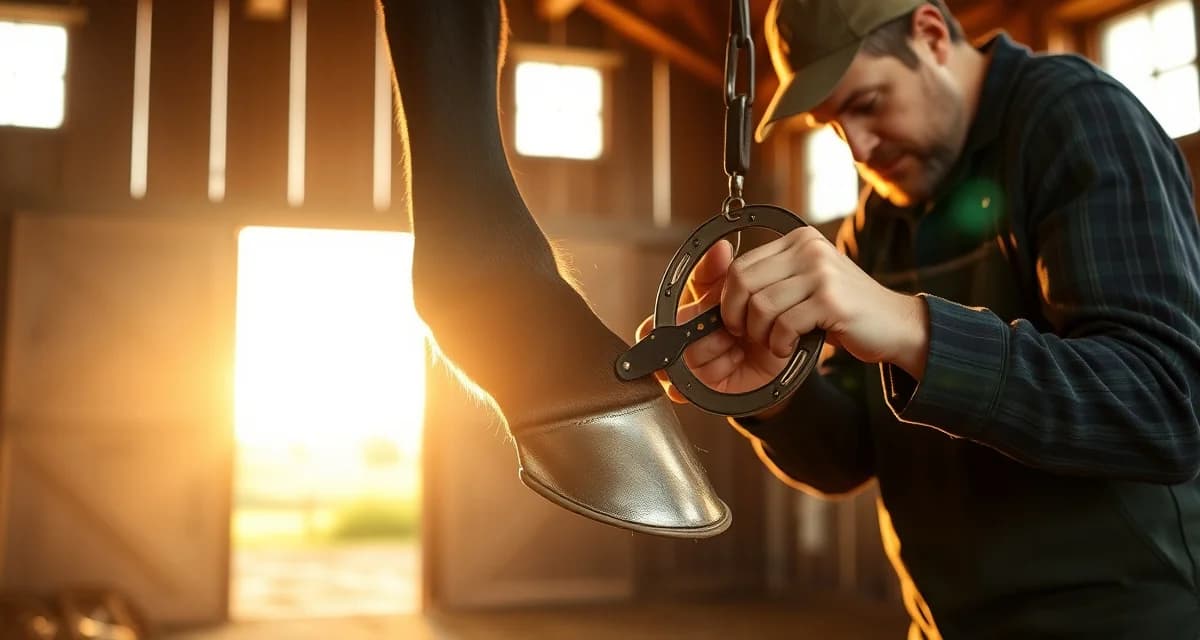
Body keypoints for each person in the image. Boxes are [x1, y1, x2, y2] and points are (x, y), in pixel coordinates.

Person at [642, 0, 1200, 637]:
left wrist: (913, 329)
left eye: (868, 103)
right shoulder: (876, 223)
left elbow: (1165, 405)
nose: (859, 148)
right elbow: (850, 453)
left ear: (931, 35)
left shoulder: (1076, 117)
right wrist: (775, 395)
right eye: (834, 126)